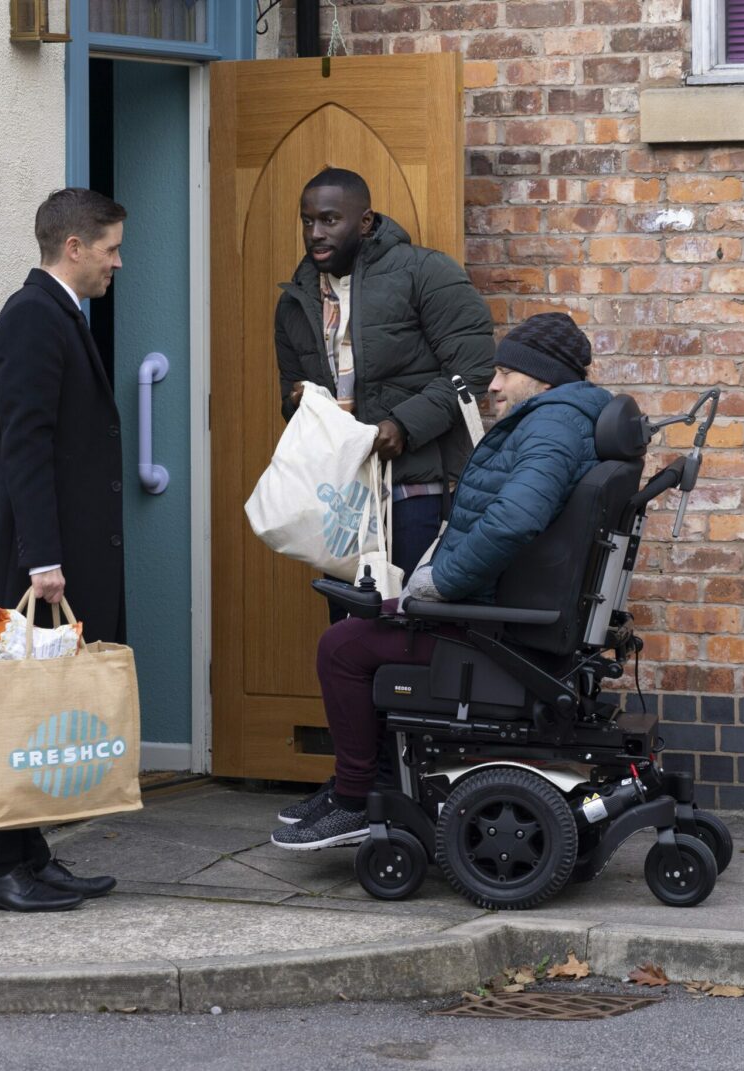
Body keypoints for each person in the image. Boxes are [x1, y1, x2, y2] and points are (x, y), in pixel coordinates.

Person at [271, 313, 613, 849]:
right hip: (500, 613)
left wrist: (439, 585)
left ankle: (357, 798)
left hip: (489, 627)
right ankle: (352, 785)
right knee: (364, 618)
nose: (493, 385)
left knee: (341, 646)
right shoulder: (563, 419)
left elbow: (516, 519)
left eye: (505, 373)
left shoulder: (551, 427)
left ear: (543, 378)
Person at [0, 188, 127, 910]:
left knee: (33, 704)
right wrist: (42, 559)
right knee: (7, 702)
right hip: (23, 558)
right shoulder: (32, 317)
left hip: (37, 553)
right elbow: (25, 442)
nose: (118, 263)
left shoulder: (56, 314)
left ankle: (30, 852)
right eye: (111, 249)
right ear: (74, 248)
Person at [275, 168, 495, 609]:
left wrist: (404, 425)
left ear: (366, 221)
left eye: (329, 220)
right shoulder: (295, 300)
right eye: (307, 221)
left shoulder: (425, 273)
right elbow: (289, 397)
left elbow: (472, 369)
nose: (315, 233)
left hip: (416, 490)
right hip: (340, 498)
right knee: (350, 631)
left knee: (414, 629)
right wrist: (299, 402)